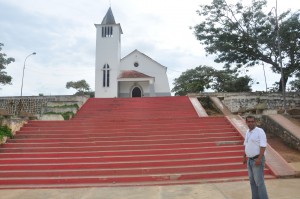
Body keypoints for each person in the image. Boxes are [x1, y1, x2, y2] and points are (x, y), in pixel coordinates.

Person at [243, 115, 269, 199]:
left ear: (255, 122)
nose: (250, 123)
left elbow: (263, 146)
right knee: (252, 182)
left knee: (259, 182)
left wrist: (259, 159)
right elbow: (246, 144)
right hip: (250, 160)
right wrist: (244, 156)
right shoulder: (247, 131)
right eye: (249, 121)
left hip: (257, 160)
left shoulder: (259, 131)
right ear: (246, 122)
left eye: (252, 121)